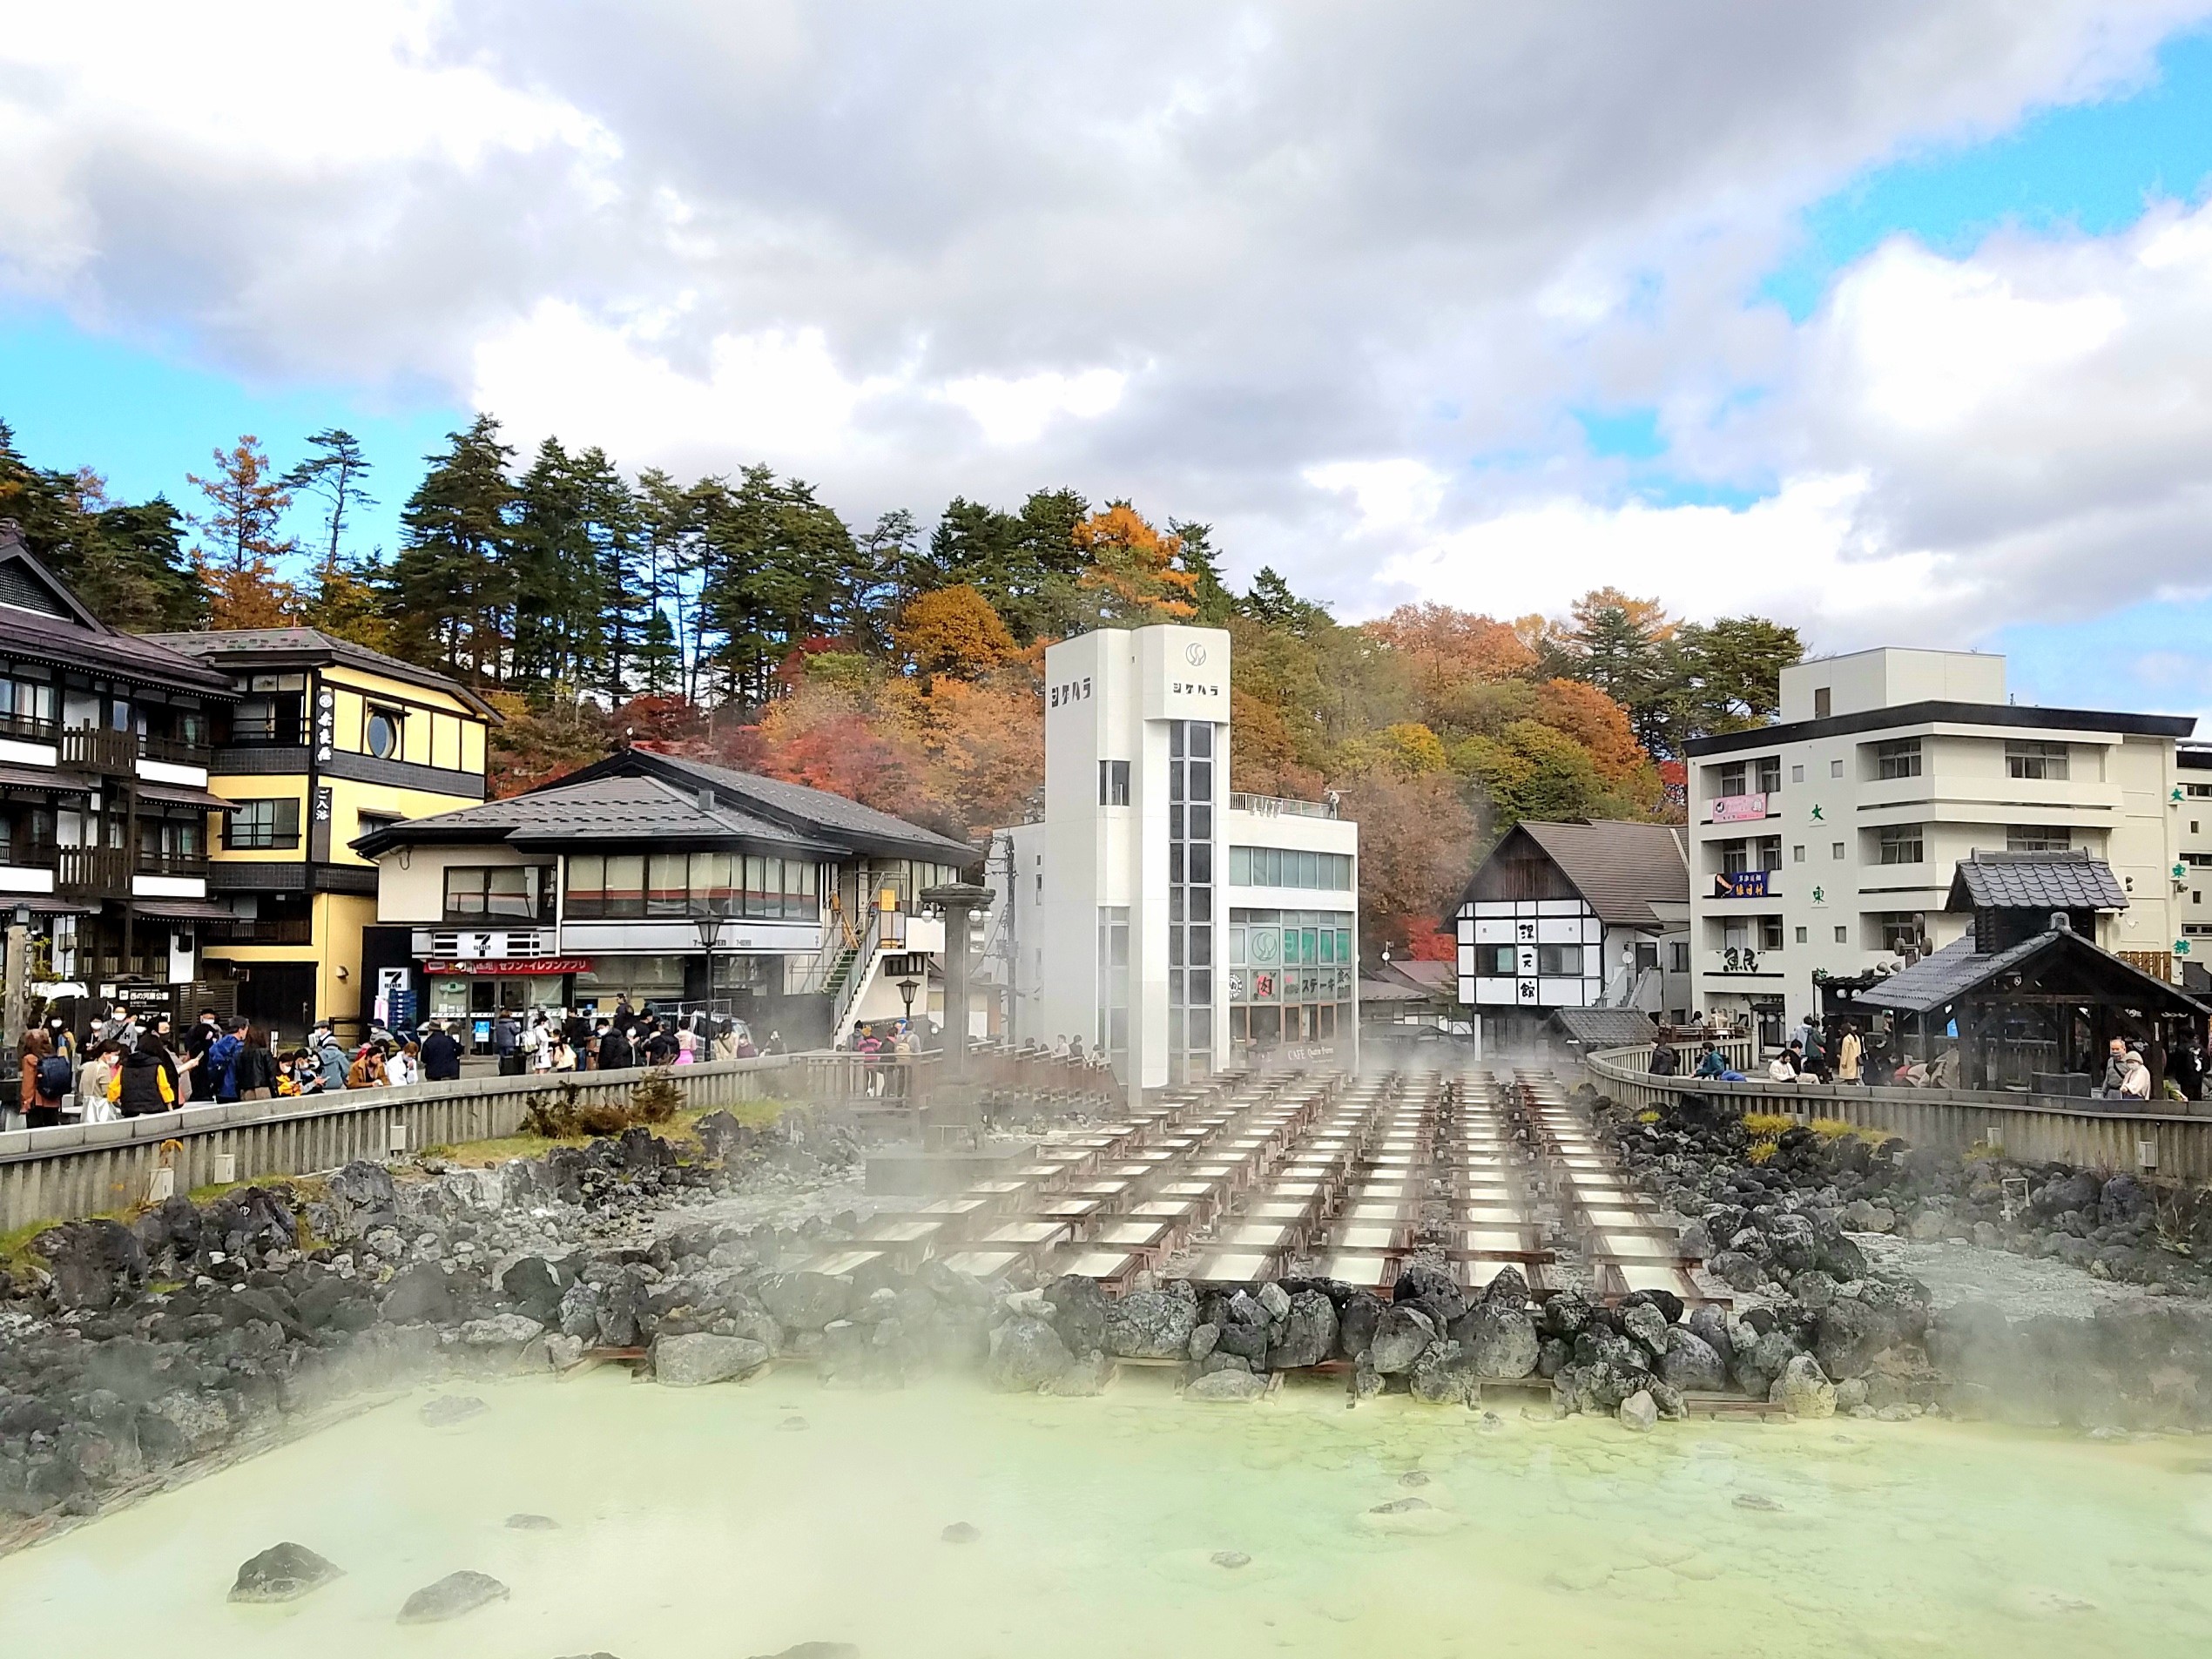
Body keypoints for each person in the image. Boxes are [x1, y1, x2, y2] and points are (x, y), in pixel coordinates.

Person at [109, 1031, 181, 1116]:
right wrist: (170, 1108)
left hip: (130, 1111)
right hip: (154, 1110)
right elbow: (164, 1088)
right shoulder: (157, 1065)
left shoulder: (125, 1066)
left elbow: (113, 1088)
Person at [77, 1039, 124, 1123]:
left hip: (87, 1111)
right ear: (105, 1054)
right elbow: (108, 1093)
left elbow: (81, 1090)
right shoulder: (103, 1068)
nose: (117, 1058)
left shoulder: (88, 1066)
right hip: (101, 1113)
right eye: (115, 1055)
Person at [232, 1026, 279, 1102]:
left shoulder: (241, 1054)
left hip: (246, 1090)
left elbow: (238, 1075)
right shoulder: (265, 1053)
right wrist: (275, 1092)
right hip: (263, 1089)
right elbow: (271, 1075)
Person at [185, 1008, 222, 1101]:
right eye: (207, 1018)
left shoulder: (217, 1031)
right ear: (201, 1018)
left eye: (211, 1018)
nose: (209, 1020)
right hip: (199, 1060)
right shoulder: (194, 1030)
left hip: (206, 1060)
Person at [206, 1017, 246, 1103]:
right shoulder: (239, 1046)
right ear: (240, 1030)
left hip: (220, 1087)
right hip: (235, 1088)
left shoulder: (218, 1044)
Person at [420, 1018, 462, 1082]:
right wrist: (454, 1056)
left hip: (433, 1073)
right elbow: (460, 1048)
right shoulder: (449, 1040)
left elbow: (423, 1058)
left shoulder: (428, 1042)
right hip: (449, 1072)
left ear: (430, 1031)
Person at [312, 1024, 350, 1091]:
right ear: (337, 1047)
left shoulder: (319, 1054)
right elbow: (346, 1071)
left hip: (322, 1083)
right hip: (337, 1084)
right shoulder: (341, 1055)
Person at [2170, 1037, 2203, 1103]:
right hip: (2198, 1076)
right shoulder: (2201, 1047)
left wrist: (2178, 1076)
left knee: (2187, 1098)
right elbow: (2206, 1062)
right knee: (2197, 1097)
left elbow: (2177, 1064)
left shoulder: (2181, 1049)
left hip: (2185, 1077)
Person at [492, 1010, 522, 1076]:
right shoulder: (511, 1023)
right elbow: (515, 1031)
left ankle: (502, 1071)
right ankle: (509, 1070)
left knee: (502, 1058)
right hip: (509, 1043)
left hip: (500, 1043)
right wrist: (519, 1028)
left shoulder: (498, 1023)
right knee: (510, 1057)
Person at [1835, 1022, 1864, 1086]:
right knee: (1855, 1077)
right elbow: (1859, 1049)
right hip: (1855, 1060)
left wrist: (1843, 1063)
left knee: (1849, 1078)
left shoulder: (1846, 1039)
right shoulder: (1856, 1037)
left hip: (1848, 1061)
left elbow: (1845, 1052)